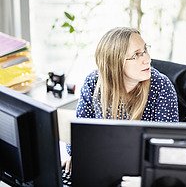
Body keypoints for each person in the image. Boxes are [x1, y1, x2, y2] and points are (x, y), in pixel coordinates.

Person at [63, 27, 179, 172]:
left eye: (145, 50)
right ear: (115, 62)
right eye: (136, 55)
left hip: (143, 171)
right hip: (101, 165)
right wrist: (78, 156)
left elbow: (166, 147)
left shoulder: (161, 86)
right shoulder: (93, 83)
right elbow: (80, 133)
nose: (147, 59)